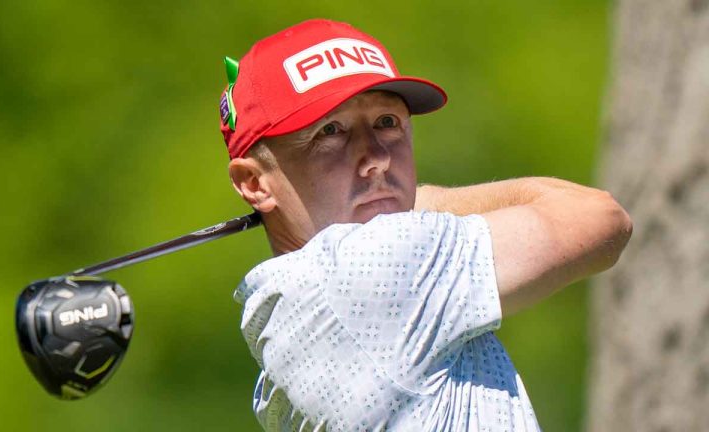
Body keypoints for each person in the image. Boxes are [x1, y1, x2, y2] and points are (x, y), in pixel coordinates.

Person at [220, 19, 632, 431]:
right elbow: (599, 219)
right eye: (331, 131)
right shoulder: (370, 266)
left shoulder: (283, 316)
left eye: (387, 122)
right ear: (254, 183)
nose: (376, 157)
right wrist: (422, 199)